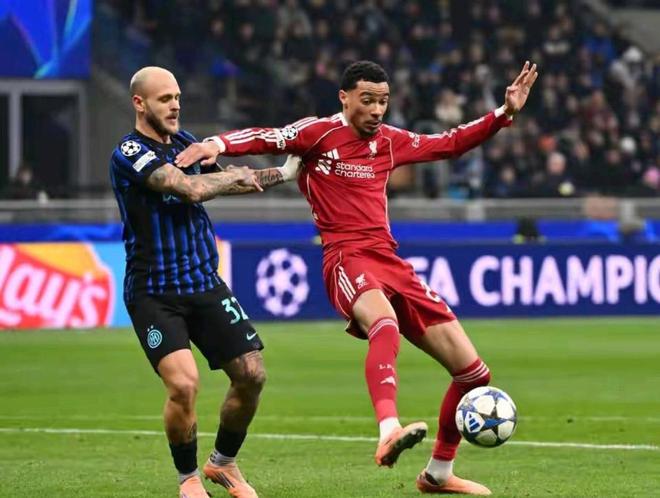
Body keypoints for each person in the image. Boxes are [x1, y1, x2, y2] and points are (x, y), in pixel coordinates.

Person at [176, 60, 538, 495]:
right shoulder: (318, 133)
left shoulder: (390, 142)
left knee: (473, 374)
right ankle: (388, 428)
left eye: (383, 101)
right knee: (384, 325)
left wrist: (504, 113)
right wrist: (216, 143)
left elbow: (449, 143)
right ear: (344, 98)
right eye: (367, 100)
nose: (377, 110)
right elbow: (267, 136)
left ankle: (439, 473)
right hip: (346, 257)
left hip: (390, 261)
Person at [109, 66, 300, 498]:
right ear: (139, 103)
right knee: (183, 384)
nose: (175, 105)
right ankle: (188, 478)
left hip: (203, 281)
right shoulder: (129, 151)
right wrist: (230, 177)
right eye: (165, 98)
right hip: (154, 292)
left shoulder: (185, 142)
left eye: (177, 96)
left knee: (252, 374)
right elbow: (188, 188)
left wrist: (285, 172)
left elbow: (230, 181)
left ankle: (223, 463)